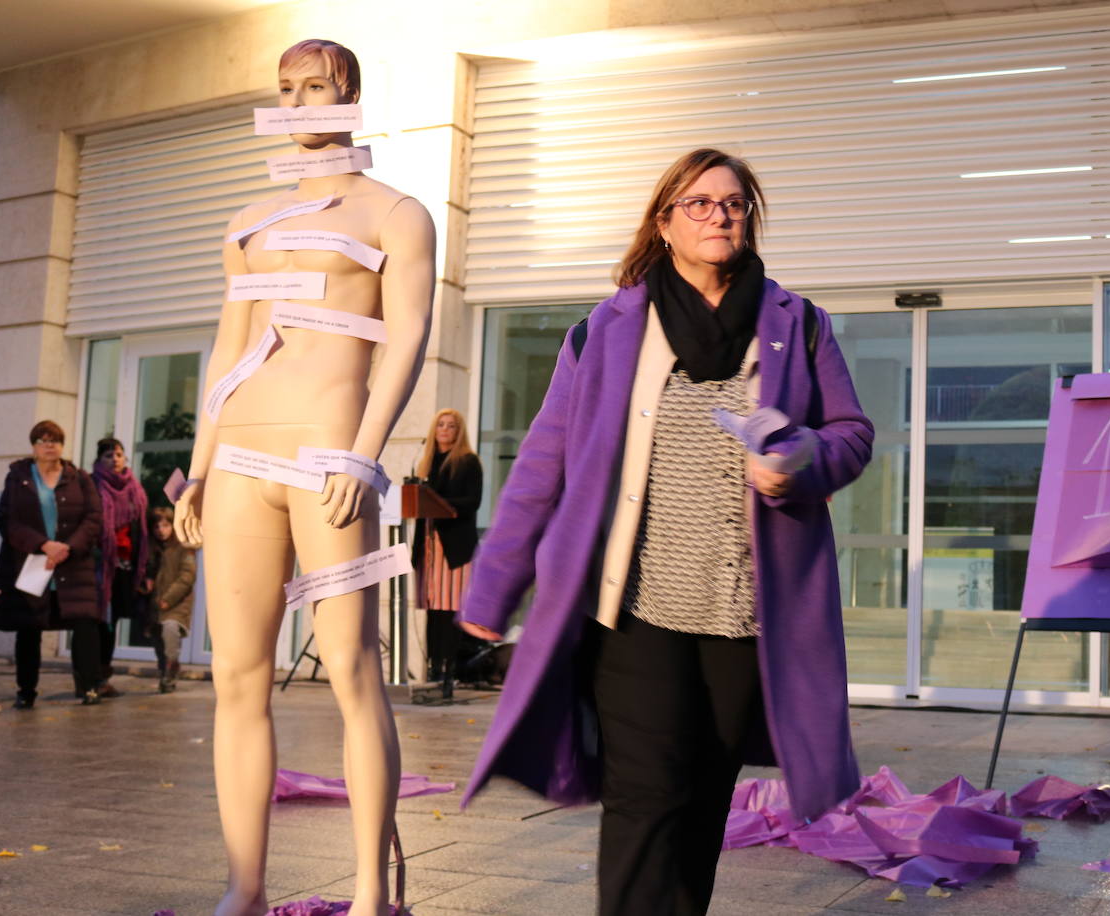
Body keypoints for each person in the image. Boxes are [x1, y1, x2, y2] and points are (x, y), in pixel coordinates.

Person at [458, 148, 874, 915]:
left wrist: (802, 459)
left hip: (746, 615)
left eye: (735, 204)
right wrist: (493, 585)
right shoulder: (608, 330)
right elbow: (542, 465)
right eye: (701, 203)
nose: (720, 215)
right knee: (645, 797)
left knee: (701, 802)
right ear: (664, 221)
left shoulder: (797, 323)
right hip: (636, 613)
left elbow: (851, 433)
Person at [172, 39, 435, 916]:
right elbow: (230, 344)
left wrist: (365, 451)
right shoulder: (250, 218)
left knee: (355, 670)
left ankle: (370, 889)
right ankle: (244, 885)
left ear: (349, 91)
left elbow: (405, 339)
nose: (296, 100)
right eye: (284, 88)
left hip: (328, 453)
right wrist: (199, 470)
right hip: (243, 451)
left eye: (313, 85)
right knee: (238, 678)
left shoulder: (396, 214)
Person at [0, 420, 104, 706]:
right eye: (42, 440)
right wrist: (44, 545)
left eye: (54, 440)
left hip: (73, 565)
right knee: (29, 628)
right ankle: (26, 692)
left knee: (84, 625)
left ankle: (89, 687)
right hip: (32, 564)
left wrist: (68, 547)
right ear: (33, 446)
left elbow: (94, 518)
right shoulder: (18, 477)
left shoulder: (79, 477)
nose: (49, 445)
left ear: (62, 445)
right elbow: (7, 520)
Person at [410, 408, 483, 696]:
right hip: (428, 546)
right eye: (440, 424)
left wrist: (438, 500)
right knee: (432, 611)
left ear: (459, 431)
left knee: (449, 610)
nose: (444, 429)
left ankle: (449, 673)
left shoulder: (468, 462)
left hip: (455, 548)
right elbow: (416, 505)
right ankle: (433, 668)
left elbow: (472, 502)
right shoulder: (426, 464)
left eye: (451, 425)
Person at [91, 436, 149, 698]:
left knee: (112, 621)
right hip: (99, 566)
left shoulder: (134, 488)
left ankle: (104, 675)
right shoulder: (92, 485)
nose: (114, 460)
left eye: (118, 454)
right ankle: (92, 677)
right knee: (97, 622)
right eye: (108, 456)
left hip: (125, 566)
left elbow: (140, 528)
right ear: (99, 460)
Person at [144, 506, 196, 693]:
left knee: (170, 631)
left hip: (176, 604)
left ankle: (171, 670)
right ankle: (165, 673)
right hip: (156, 604)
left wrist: (168, 598)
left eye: (165, 525)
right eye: (157, 527)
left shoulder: (182, 548)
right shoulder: (151, 548)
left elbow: (187, 576)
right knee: (158, 641)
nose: (161, 530)